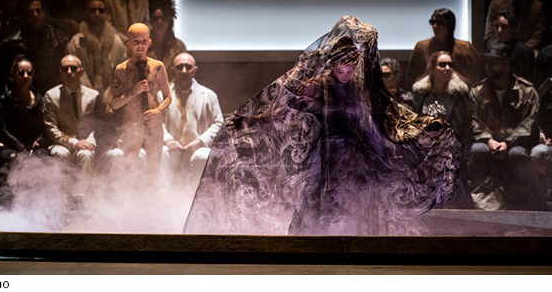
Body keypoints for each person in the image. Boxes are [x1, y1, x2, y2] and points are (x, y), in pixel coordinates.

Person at [184, 16, 461, 236]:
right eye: (340, 69)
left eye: (350, 69)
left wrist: (416, 135)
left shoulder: (361, 88)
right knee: (317, 214)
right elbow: (283, 110)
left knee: (355, 214)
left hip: (354, 160)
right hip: (325, 159)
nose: (346, 74)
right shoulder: (318, 86)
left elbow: (381, 120)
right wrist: (249, 121)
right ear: (332, 65)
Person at [468, 42, 551, 211]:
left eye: (495, 62)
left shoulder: (526, 91)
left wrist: (508, 143)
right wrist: (489, 140)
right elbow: (475, 120)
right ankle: (480, 197)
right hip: (490, 143)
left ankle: (522, 198)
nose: (489, 66)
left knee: (517, 153)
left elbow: (529, 122)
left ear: (507, 64)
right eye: (487, 62)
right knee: (477, 149)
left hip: (518, 143)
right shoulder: (478, 90)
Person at [111, 23, 171, 188]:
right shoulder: (121, 69)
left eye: (144, 41)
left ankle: (151, 200)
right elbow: (115, 104)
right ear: (128, 44)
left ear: (149, 43)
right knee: (129, 169)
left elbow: (168, 96)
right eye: (136, 42)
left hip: (153, 123)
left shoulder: (157, 66)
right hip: (132, 125)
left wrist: (157, 110)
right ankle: (130, 201)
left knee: (153, 170)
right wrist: (133, 92)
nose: (140, 46)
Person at [412, 51, 473, 208]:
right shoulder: (420, 95)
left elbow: (466, 127)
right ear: (431, 69)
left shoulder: (459, 95)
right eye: (442, 65)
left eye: (450, 65)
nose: (447, 68)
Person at [161, 52, 223, 193]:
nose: (184, 71)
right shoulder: (162, 95)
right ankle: (163, 197)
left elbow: (218, 124)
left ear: (195, 70)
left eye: (188, 67)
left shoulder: (209, 95)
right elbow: (157, 122)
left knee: (204, 155)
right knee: (161, 152)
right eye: (179, 67)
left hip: (197, 149)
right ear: (173, 70)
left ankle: (192, 197)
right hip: (172, 148)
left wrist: (199, 142)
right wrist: (169, 141)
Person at [44, 55, 101, 175]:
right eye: (65, 69)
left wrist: (90, 142)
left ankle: (84, 188)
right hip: (61, 143)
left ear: (81, 72)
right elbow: (51, 128)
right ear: (60, 73)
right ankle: (62, 187)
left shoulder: (93, 96)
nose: (69, 72)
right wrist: (74, 142)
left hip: (86, 141)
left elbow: (97, 125)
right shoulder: (51, 96)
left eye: (73, 68)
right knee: (61, 154)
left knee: (86, 155)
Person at [66, 0, 128, 99]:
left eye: (101, 10)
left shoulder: (117, 42)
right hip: (83, 96)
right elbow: (75, 72)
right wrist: (91, 95)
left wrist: (109, 94)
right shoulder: (76, 42)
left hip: (111, 97)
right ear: (86, 12)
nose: (97, 13)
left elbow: (121, 71)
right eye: (93, 10)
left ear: (106, 14)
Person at [5, 0, 68, 93]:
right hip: (25, 88)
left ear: (44, 13)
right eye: (31, 12)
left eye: (38, 11)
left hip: (51, 88)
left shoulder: (58, 39)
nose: (35, 15)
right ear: (26, 15)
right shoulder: (15, 42)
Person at [406, 8, 482, 88]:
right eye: (433, 22)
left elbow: (478, 74)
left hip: (459, 91)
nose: (435, 26)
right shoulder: (422, 47)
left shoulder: (465, 48)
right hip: (427, 91)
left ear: (450, 26)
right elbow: (410, 76)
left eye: (441, 23)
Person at [0, 55, 48, 166]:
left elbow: (44, 127)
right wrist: (20, 147)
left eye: (29, 73)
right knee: (15, 159)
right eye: (21, 73)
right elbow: (1, 130)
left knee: (43, 158)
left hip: (33, 146)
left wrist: (39, 140)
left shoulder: (39, 100)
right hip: (10, 146)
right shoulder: (3, 100)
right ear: (12, 76)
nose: (25, 76)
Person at [491, 10, 535, 82]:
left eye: (504, 26)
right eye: (496, 26)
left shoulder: (524, 51)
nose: (499, 31)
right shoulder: (492, 50)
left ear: (513, 28)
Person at [147, 0, 187, 75]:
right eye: (156, 19)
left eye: (164, 18)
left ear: (169, 21)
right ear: (150, 20)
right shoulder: (143, 46)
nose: (160, 22)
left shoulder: (179, 46)